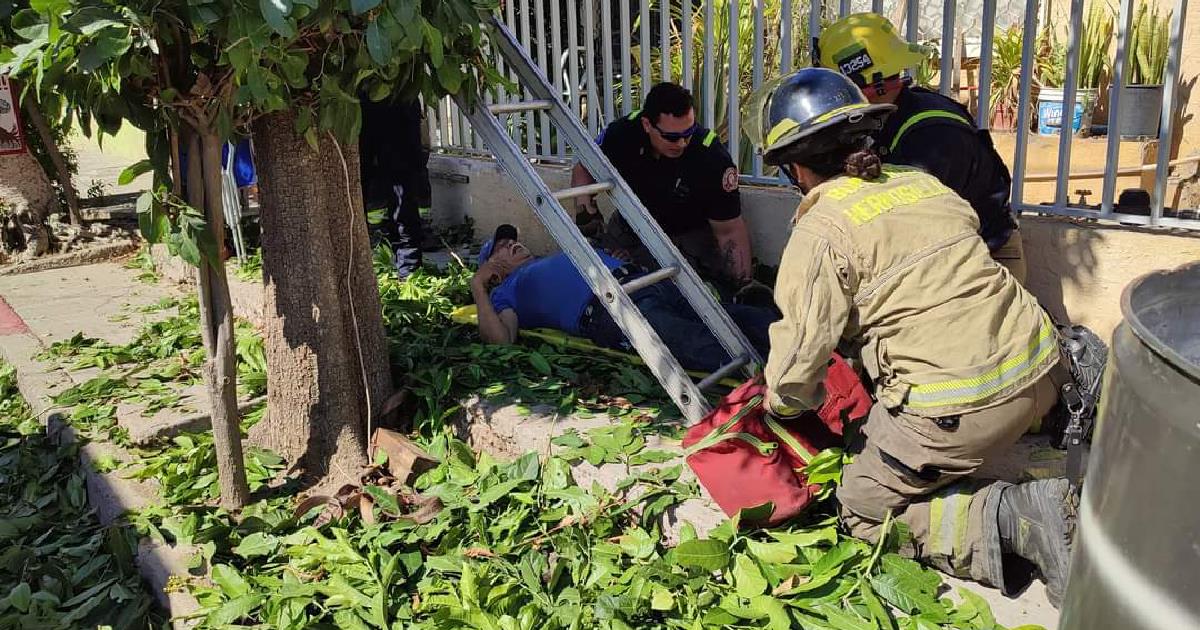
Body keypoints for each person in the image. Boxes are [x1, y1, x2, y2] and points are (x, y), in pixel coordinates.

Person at [752, 68, 1074, 606]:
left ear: (796, 168)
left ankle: (1010, 519)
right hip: (1043, 370)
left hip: (962, 409)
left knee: (859, 506)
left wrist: (783, 410)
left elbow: (797, 360)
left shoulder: (820, 231)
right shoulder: (922, 184)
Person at [816, 13, 1026, 282]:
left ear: (870, 84)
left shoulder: (931, 137)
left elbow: (911, 224)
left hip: (983, 261)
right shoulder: (886, 116)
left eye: (838, 89)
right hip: (942, 255)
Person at [470, 224, 776, 374]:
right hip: (608, 308)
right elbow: (501, 341)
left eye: (511, 238)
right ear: (493, 270)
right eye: (501, 246)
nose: (512, 242)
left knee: (725, 315)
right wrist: (478, 287)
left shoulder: (548, 259)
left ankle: (805, 343)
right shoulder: (504, 292)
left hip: (645, 280)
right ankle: (778, 369)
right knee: (688, 339)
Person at [571, 82, 764, 299]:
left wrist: (742, 286)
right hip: (630, 228)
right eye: (671, 137)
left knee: (678, 294)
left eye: (688, 133)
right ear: (647, 124)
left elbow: (729, 231)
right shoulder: (622, 134)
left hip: (686, 238)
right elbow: (583, 169)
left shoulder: (710, 157)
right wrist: (590, 226)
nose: (681, 143)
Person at [359, 97, 432, 278]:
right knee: (355, 186)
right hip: (362, 103)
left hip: (396, 101)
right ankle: (361, 273)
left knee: (404, 190)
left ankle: (409, 274)